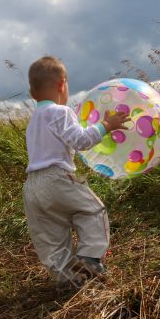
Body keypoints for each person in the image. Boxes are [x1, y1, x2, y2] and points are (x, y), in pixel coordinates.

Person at [23, 56, 130, 290]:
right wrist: (106, 126)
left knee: (50, 236)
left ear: (32, 93)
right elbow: (80, 141)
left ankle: (67, 279)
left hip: (32, 187)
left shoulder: (33, 120)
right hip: (57, 178)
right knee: (93, 210)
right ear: (62, 84)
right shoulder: (60, 112)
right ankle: (90, 257)